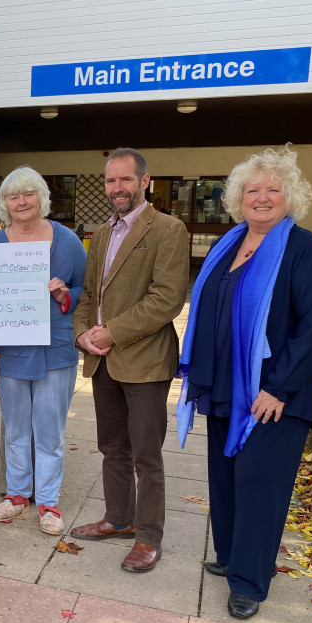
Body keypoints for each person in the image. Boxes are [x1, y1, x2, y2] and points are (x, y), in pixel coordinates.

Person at [176, 146, 312, 619]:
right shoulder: (229, 244)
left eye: (273, 190)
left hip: (276, 396)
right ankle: (230, 556)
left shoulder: (304, 248)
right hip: (228, 386)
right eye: (253, 190)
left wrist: (280, 387)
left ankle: (250, 580)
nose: (262, 198)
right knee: (226, 474)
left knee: (259, 481)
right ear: (238, 198)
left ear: (290, 197)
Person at [71, 147, 189, 573]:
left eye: (125, 179)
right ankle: (118, 518)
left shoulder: (168, 229)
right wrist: (83, 333)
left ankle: (148, 538)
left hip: (144, 362)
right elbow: (88, 294)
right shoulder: (101, 233)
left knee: (146, 455)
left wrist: (111, 331)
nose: (116, 188)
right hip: (103, 361)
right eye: (110, 180)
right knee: (112, 448)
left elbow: (166, 299)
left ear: (145, 181)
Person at [0, 167, 86, 534]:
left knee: (51, 432)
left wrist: (64, 296)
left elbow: (86, 294)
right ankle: (17, 495)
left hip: (55, 352)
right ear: (5, 203)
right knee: (16, 430)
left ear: (42, 198)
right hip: (10, 355)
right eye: (13, 196)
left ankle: (50, 502)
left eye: (28, 194)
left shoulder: (67, 240)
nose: (22, 201)